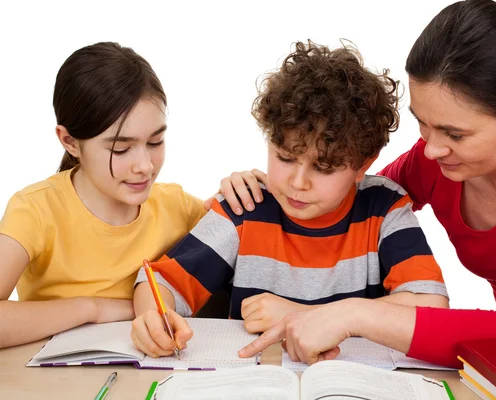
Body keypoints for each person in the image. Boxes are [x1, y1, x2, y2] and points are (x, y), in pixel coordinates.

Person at [224, 0, 496, 368]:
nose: (431, 150)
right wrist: (266, 194)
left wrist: (351, 314)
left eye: (454, 133)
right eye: (423, 122)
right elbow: (348, 203)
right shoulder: (437, 161)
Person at [130, 41, 449, 358]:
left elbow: (430, 307)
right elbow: (160, 284)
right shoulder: (246, 206)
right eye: (285, 158)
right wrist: (153, 318)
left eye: (323, 167)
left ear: (363, 164)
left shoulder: (384, 208)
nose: (298, 183)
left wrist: (300, 314)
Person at [0, 42, 207, 349]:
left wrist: (250, 189)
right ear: (70, 141)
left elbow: (252, 238)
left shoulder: (177, 206)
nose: (145, 166)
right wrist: (92, 309)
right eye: (120, 149)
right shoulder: (35, 210)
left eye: (156, 141)